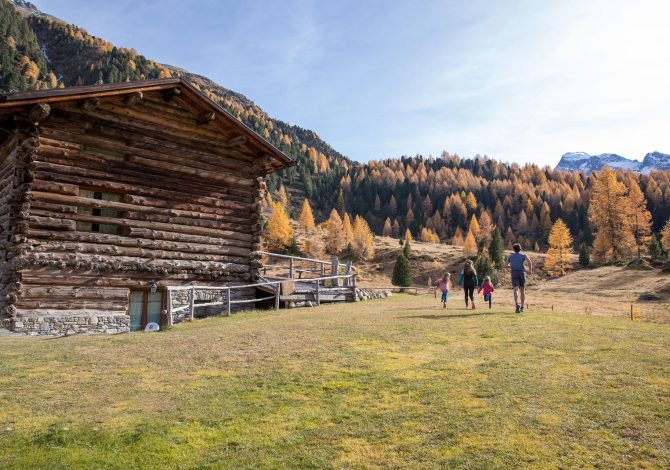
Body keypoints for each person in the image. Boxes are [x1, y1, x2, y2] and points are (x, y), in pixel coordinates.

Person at [507, 243, 532, 313]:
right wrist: (530, 270)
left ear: (514, 249)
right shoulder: (524, 255)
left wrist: (511, 265)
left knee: (515, 289)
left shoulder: (510, 256)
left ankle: (517, 305)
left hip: (514, 273)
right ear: (520, 249)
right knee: (522, 291)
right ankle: (522, 307)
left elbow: (507, 264)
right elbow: (530, 262)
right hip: (521, 273)